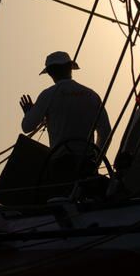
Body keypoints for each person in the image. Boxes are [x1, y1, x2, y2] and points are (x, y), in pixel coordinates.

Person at [20, 51, 111, 183]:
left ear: (50, 73)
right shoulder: (92, 95)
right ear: (70, 68)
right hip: (87, 164)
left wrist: (29, 112)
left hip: (61, 166)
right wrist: (95, 160)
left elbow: (27, 126)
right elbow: (106, 132)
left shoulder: (48, 95)